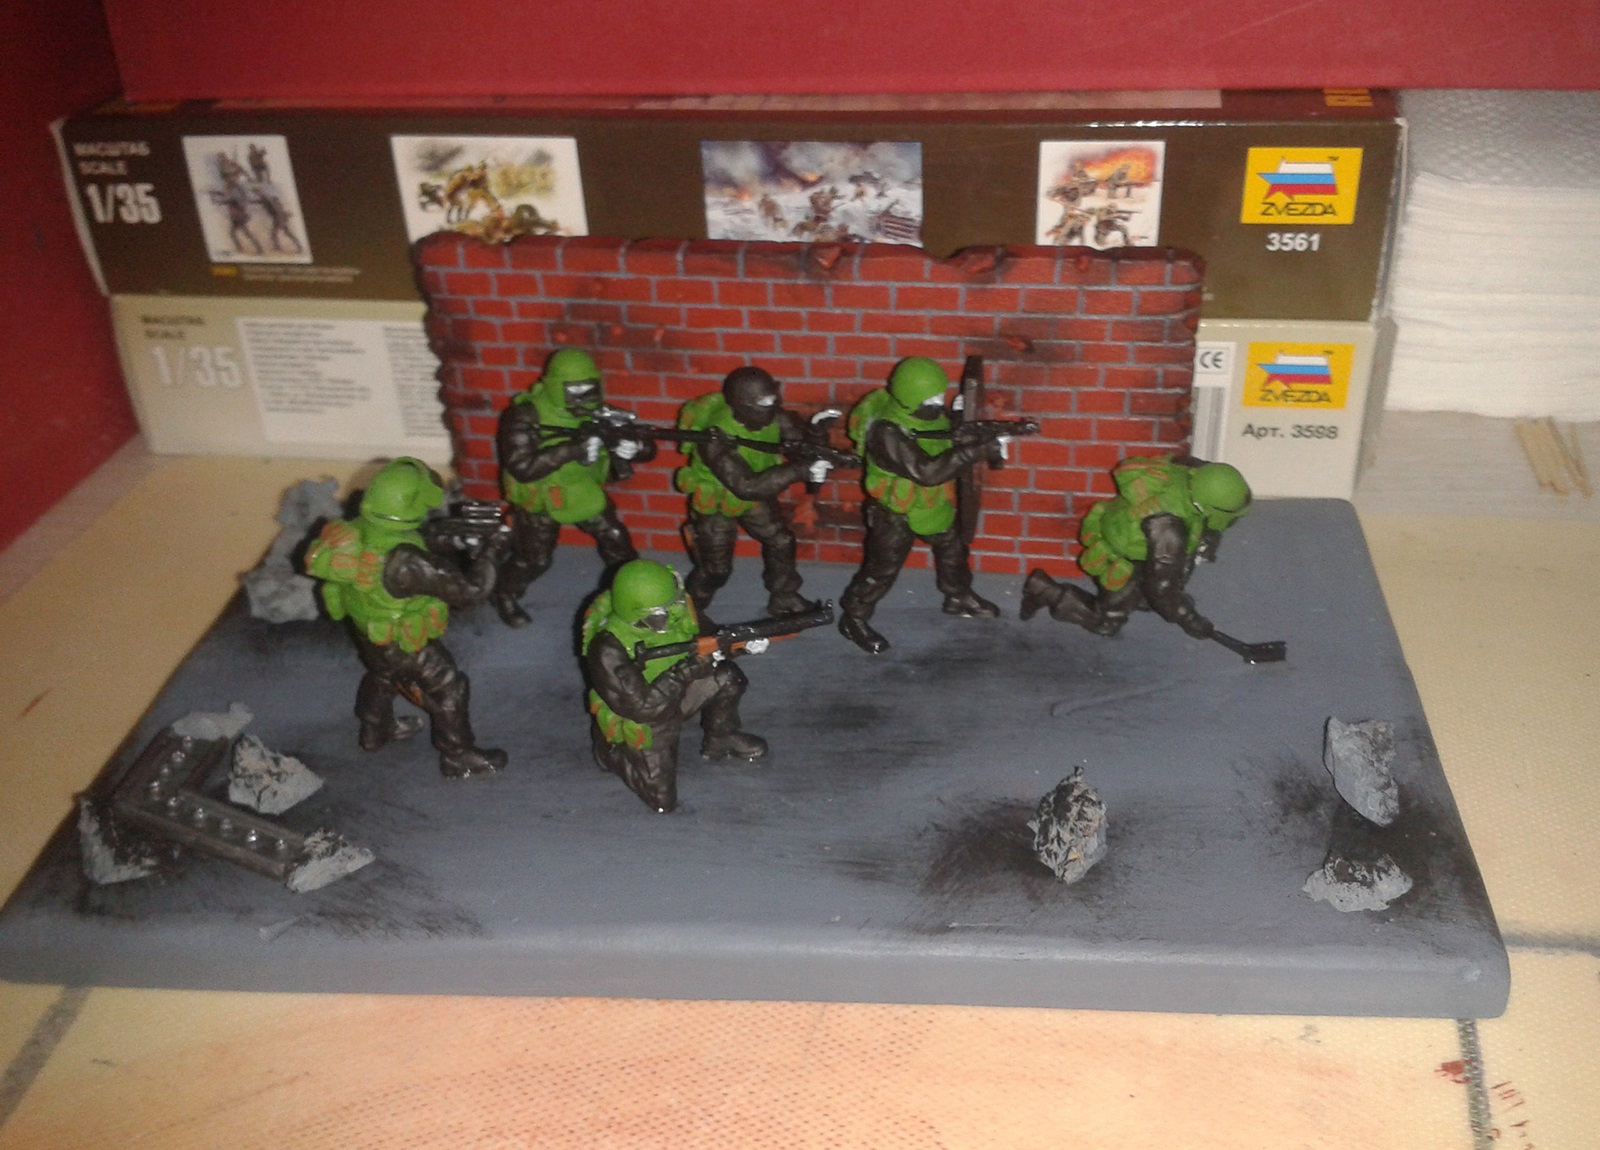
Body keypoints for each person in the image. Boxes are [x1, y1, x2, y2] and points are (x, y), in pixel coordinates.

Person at [305, 457, 507, 778]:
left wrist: (454, 536)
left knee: (383, 675)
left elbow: (417, 538)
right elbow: (470, 592)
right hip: (403, 639)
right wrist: (490, 553)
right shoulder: (405, 561)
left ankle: (375, 730)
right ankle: (457, 755)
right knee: (449, 687)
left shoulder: (357, 529)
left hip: (368, 630)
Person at [836, 356, 1004, 654]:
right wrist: (978, 450)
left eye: (940, 395)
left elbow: (942, 438)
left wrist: (964, 423)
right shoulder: (887, 432)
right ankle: (854, 617)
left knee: (952, 549)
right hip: (894, 512)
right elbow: (927, 471)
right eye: (931, 398)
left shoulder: (930, 415)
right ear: (910, 397)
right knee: (882, 569)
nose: (938, 402)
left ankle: (958, 595)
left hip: (930, 504)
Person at [581, 560, 768, 812]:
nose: (671, 616)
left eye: (674, 604)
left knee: (727, 677)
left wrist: (741, 645)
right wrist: (687, 671)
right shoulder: (608, 648)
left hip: (676, 693)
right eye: (660, 614)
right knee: (662, 800)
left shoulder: (678, 612)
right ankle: (613, 755)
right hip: (642, 717)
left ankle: (720, 737)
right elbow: (643, 707)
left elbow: (711, 640)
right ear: (635, 612)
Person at [493, 348, 650, 627]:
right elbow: (522, 467)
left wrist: (634, 447)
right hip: (541, 496)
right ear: (555, 385)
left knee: (615, 538)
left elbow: (644, 442)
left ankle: (632, 592)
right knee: (535, 559)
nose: (582, 398)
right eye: (574, 390)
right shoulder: (525, 416)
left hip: (581, 490)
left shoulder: (597, 412)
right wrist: (573, 450)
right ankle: (503, 594)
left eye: (589, 389)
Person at [1020, 454, 1252, 641]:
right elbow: (1162, 589)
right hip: (1122, 557)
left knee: (1155, 593)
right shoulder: (1169, 530)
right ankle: (1044, 590)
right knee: (1106, 622)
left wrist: (1209, 534)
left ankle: (1145, 598)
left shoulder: (1189, 471)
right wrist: (1190, 619)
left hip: (1123, 524)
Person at [675, 366, 832, 623]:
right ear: (740, 405)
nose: (772, 407)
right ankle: (685, 614)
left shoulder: (773, 417)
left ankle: (784, 596)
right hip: (718, 501)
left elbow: (801, 447)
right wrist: (800, 470)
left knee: (781, 541)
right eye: (764, 402)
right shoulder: (714, 436)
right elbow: (746, 486)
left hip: (755, 495)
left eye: (774, 398)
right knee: (716, 570)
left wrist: (816, 432)